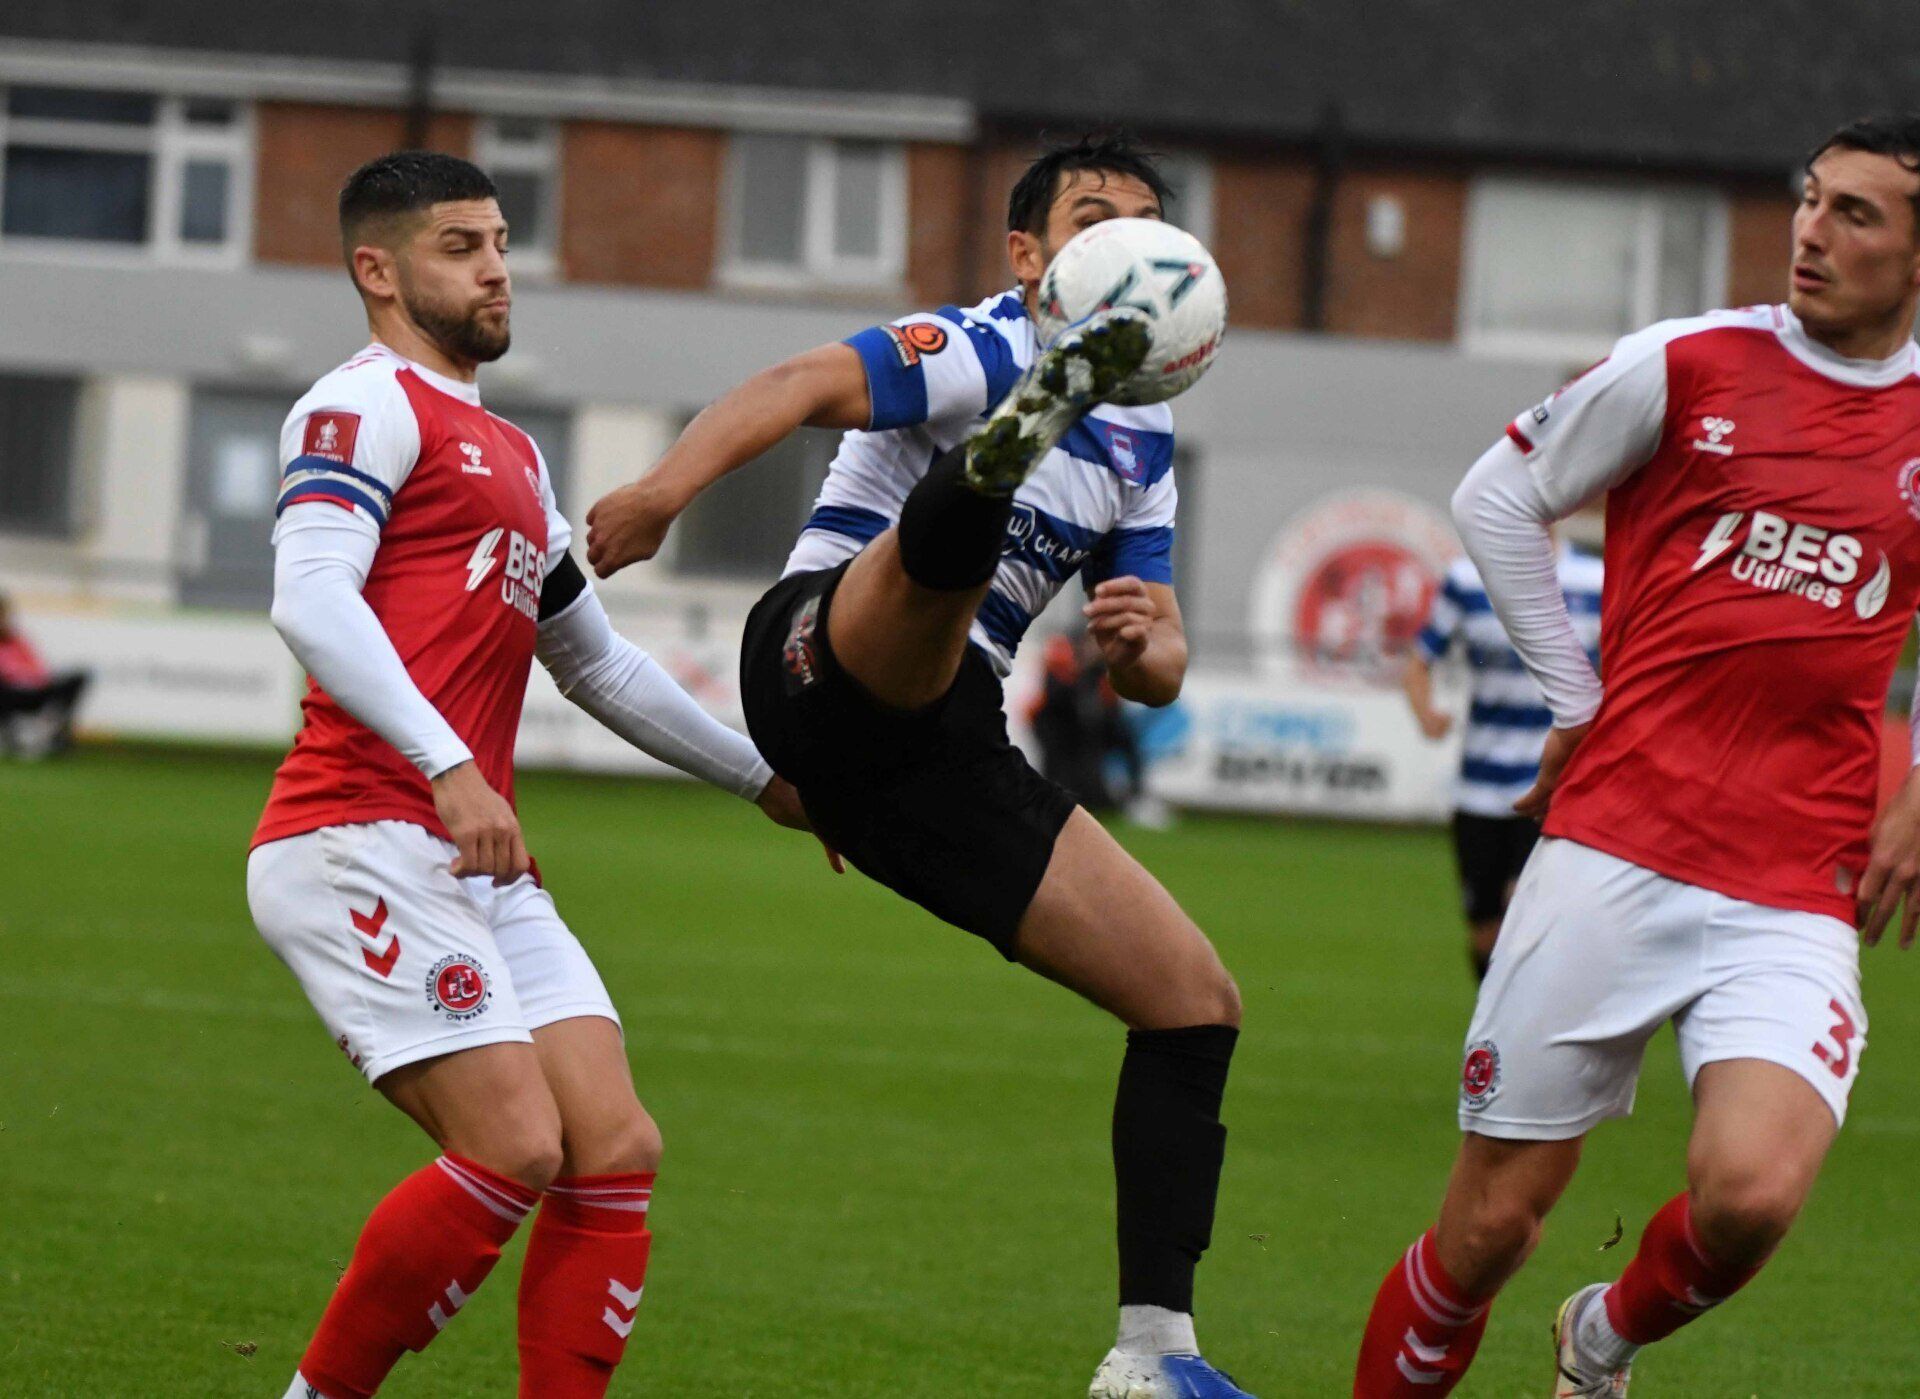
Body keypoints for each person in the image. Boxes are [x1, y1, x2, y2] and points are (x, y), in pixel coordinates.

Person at [586, 132, 1252, 1399]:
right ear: (1029, 255)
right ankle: (987, 468)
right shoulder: (982, 339)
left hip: (931, 754)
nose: (1126, 241)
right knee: (946, 573)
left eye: (1147, 223)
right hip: (813, 652)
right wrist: (665, 492)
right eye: (1095, 219)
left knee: (1193, 999)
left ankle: (1153, 1355)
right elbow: (796, 381)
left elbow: (1155, 670)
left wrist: (1150, 647)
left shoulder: (1144, 439)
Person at [1352, 113, 1920, 1397]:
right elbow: (1497, 497)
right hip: (1615, 842)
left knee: (1753, 1197)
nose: (1811, 232)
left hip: (1795, 878)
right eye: (1810, 199)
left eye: (1855, 214)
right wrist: (1576, 690)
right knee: (1489, 1229)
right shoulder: (1688, 363)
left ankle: (1601, 1339)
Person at [246, 151, 812, 1399]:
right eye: (461, 247)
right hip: (358, 833)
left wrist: (766, 780)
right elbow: (311, 596)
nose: (497, 269)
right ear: (377, 271)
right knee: (513, 1144)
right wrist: (451, 764)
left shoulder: (509, 449)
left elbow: (595, 662)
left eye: (501, 242)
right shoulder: (361, 407)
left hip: (474, 857)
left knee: (613, 1146)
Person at [1402, 539, 1602, 979]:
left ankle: (1527, 1019)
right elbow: (1419, 660)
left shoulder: (1594, 580)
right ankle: (1491, 1021)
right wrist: (1426, 713)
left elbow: (1625, 665)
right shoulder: (1466, 579)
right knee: (1485, 934)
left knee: (1523, 916)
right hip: (1478, 787)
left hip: (1553, 787)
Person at [0, 593, 89, 757]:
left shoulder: (17, 641)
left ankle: (54, 731)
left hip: (34, 688)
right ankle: (10, 736)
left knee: (78, 678)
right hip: (8, 693)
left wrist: (29, 677)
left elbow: (36, 669)